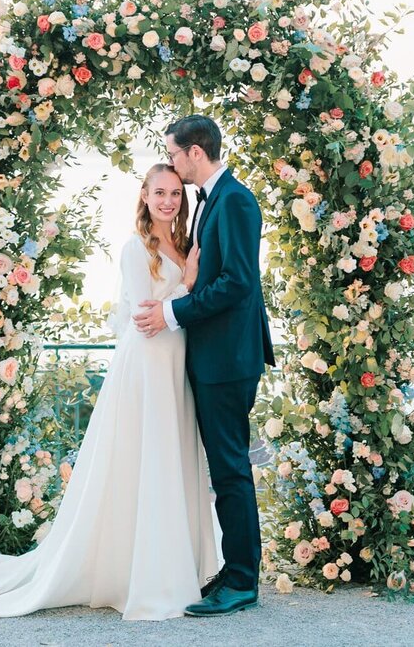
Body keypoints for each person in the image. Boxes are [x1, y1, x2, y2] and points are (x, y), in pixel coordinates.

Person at [0, 164, 218, 621]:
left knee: (170, 459)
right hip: (146, 362)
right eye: (159, 193)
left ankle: (174, 563)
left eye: (175, 195)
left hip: (175, 362)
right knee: (144, 460)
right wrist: (188, 281)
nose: (168, 201)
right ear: (144, 197)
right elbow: (146, 314)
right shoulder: (133, 249)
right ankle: (141, 574)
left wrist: (189, 275)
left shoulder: (182, 244)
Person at [133, 114, 276, 617]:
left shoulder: (233, 200)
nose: (171, 162)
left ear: (196, 152)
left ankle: (242, 582)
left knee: (231, 470)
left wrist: (172, 311)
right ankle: (236, 569)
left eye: (173, 153)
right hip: (218, 356)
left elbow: (237, 282)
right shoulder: (217, 199)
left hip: (228, 359)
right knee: (225, 468)